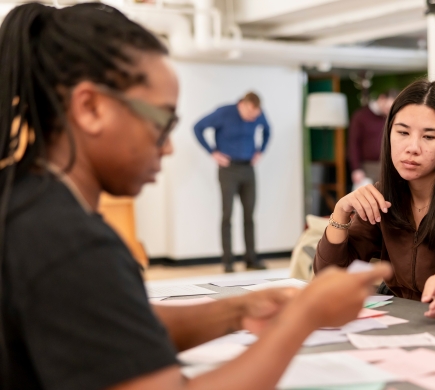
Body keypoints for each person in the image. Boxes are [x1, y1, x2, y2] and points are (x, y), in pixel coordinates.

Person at [0, 4, 392, 390]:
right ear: (90, 108)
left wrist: (238, 309)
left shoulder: (23, 201)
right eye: (162, 121)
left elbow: (119, 325)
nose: (168, 147)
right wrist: (304, 317)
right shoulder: (69, 242)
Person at [315, 80, 435, 319]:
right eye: (403, 132)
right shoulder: (384, 195)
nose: (412, 147)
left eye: (429, 137)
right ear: (389, 134)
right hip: (407, 330)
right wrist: (341, 211)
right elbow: (329, 277)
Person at [194, 93, 269, 272]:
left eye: (256, 115)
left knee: (249, 215)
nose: (253, 118)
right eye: (250, 114)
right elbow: (198, 127)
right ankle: (228, 261)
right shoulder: (224, 113)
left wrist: (261, 151)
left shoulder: (258, 113)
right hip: (228, 169)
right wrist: (212, 152)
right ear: (242, 104)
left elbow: (267, 130)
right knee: (227, 214)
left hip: (248, 169)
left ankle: (251, 259)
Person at [348, 89, 398, 187]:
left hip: (388, 166)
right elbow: (353, 144)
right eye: (388, 108)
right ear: (382, 99)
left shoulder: (391, 117)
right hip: (368, 167)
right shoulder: (361, 116)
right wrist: (356, 169)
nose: (389, 111)